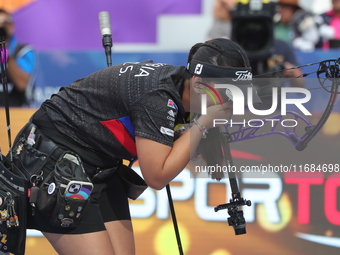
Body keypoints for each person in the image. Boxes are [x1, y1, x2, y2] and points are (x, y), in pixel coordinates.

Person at [9, 38, 259, 255]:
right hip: (52, 161)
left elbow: (203, 160)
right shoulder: (159, 97)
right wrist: (204, 122)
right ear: (197, 82)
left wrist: (201, 127)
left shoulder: (183, 89)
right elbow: (157, 176)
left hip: (100, 166)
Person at [0, 9, 37, 107]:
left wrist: (4, 52)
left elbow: (22, 84)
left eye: (4, 24)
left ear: (12, 26)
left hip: (16, 111)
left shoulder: (23, 51)